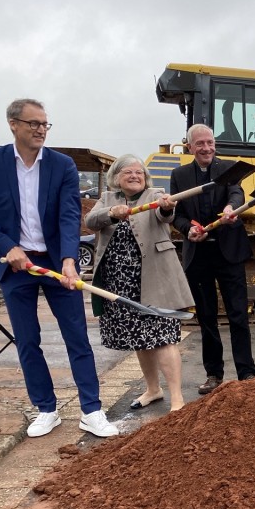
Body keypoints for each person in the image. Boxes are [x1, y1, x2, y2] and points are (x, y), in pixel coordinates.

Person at [0, 98, 118, 438]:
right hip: (16, 265)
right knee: (27, 340)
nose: (40, 130)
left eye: (45, 124)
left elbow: (69, 214)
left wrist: (69, 258)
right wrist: (8, 247)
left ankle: (91, 410)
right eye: (33, 123)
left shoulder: (61, 165)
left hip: (55, 261)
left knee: (77, 337)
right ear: (13, 124)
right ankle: (46, 408)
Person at [85, 156, 194, 411]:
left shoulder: (154, 194)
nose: (135, 176)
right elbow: (91, 221)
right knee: (139, 338)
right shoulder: (108, 198)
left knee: (163, 336)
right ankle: (153, 390)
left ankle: (177, 397)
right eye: (128, 172)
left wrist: (167, 207)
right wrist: (111, 214)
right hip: (119, 283)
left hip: (155, 280)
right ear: (116, 177)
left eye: (139, 172)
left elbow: (164, 214)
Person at [170, 124, 255, 394]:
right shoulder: (180, 175)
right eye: (200, 144)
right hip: (199, 254)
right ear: (190, 147)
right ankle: (213, 374)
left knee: (238, 314)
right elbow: (178, 214)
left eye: (210, 142)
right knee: (207, 317)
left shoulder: (228, 168)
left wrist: (231, 208)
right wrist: (188, 229)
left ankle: (247, 373)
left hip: (228, 251)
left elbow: (236, 192)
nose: (206, 148)